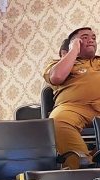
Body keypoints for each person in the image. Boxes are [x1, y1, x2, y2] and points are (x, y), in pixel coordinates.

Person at [44, 27, 99, 168]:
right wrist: (74, 49)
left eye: (93, 37)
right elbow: (56, 77)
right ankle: (83, 167)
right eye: (85, 37)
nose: (91, 40)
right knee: (57, 121)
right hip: (73, 108)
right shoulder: (58, 64)